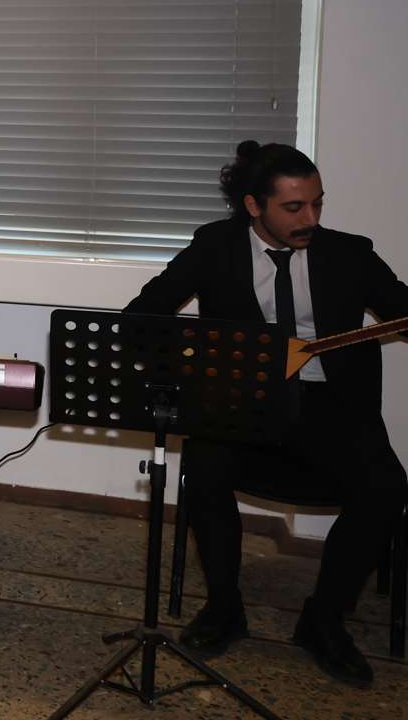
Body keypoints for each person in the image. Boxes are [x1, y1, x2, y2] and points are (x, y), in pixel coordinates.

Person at [126, 140, 408, 688]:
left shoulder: (349, 253)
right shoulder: (215, 247)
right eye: (294, 207)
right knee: (203, 470)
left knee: (386, 487)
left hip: (332, 409)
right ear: (254, 206)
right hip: (244, 402)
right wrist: (195, 370)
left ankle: (324, 620)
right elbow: (143, 318)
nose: (311, 219)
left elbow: (400, 307)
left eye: (317, 204)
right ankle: (224, 607)